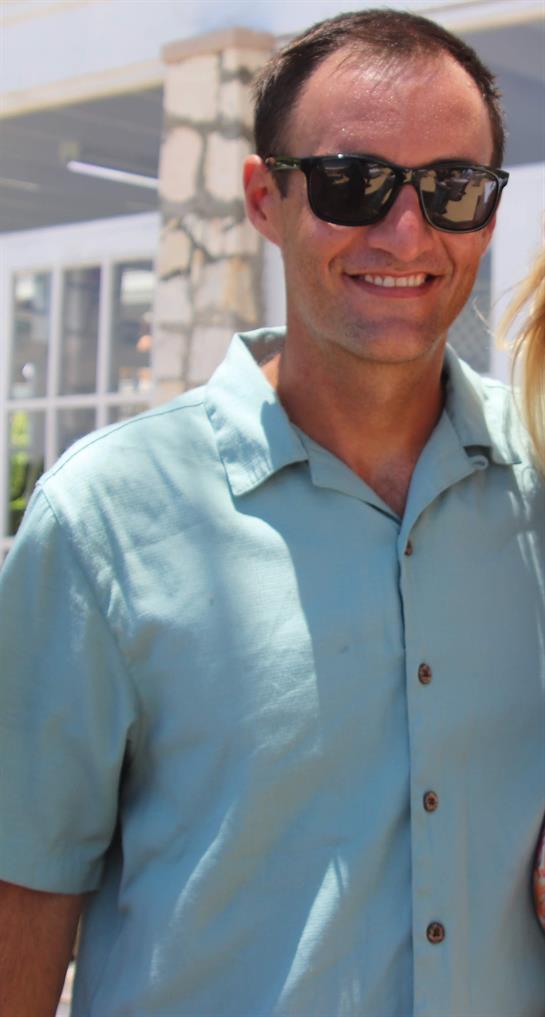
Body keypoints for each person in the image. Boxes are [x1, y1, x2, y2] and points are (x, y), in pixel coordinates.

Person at [1, 9, 544, 1016]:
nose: (405, 232)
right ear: (264, 196)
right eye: (353, 184)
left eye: (451, 189)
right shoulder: (106, 521)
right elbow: (23, 891)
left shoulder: (542, 483)